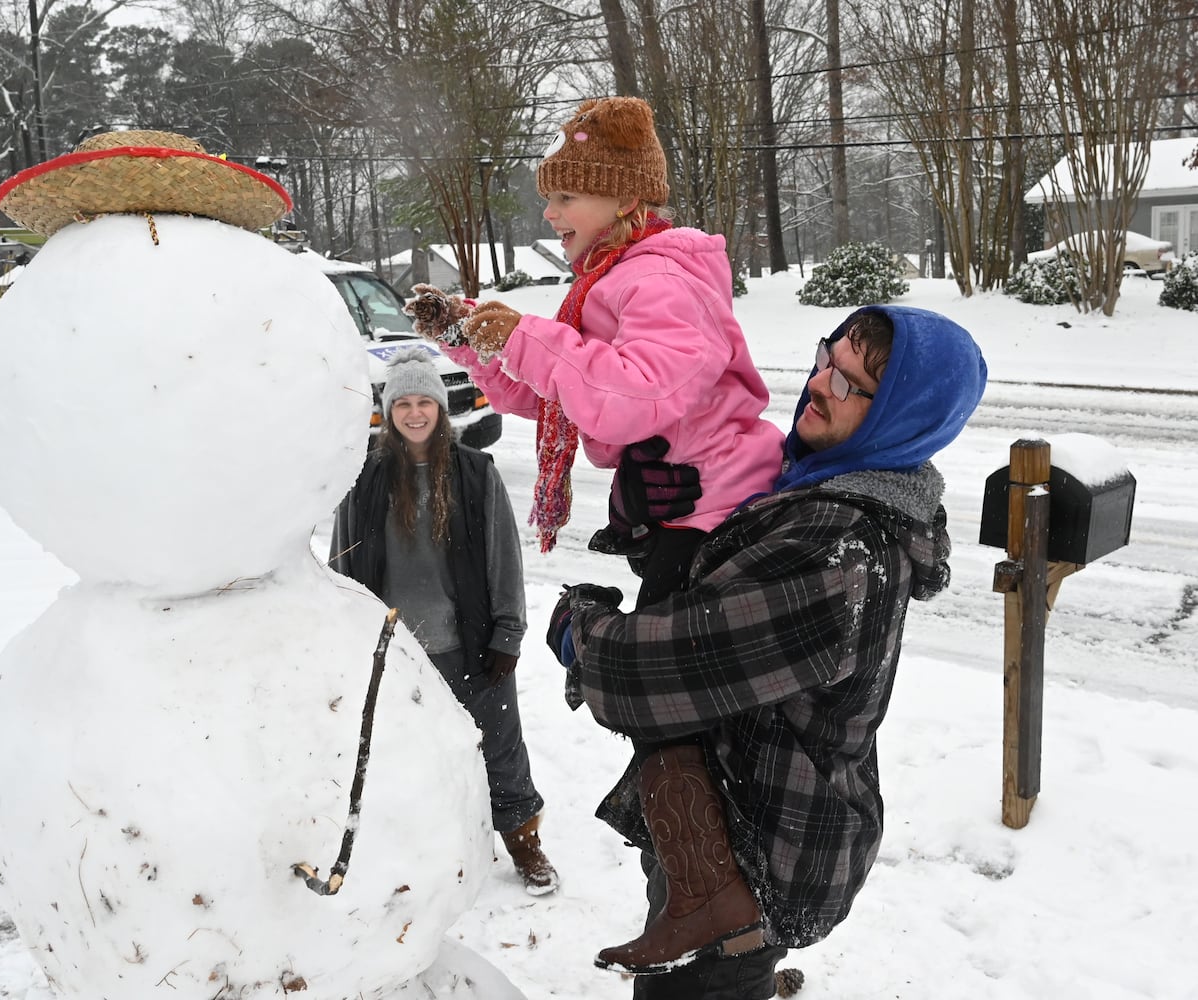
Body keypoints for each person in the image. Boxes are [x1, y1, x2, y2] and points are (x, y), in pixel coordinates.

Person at [544, 305, 988, 996]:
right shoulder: (808, 487)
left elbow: (652, 670)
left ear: (901, 416)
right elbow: (713, 588)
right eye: (825, 359)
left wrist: (582, 626)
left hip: (753, 862)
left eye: (849, 384)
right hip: (730, 824)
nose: (817, 384)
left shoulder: (834, 549)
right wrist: (651, 526)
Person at [406, 95, 784, 609]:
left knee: (668, 662)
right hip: (677, 505)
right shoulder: (608, 280)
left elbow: (630, 396)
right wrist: (469, 336)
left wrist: (523, 338)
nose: (549, 211)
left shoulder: (660, 280)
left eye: (566, 195)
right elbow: (559, 392)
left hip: (717, 508)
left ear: (625, 199)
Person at [330, 346, 558, 895]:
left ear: (440, 407)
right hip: (395, 649)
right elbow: (342, 562)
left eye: (424, 402)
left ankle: (525, 846)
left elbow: (505, 557)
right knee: (400, 755)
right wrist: (344, 632)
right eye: (402, 403)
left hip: (470, 642)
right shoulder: (363, 478)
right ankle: (416, 853)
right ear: (387, 410)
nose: (414, 413)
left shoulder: (475, 474)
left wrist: (508, 631)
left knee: (501, 747)